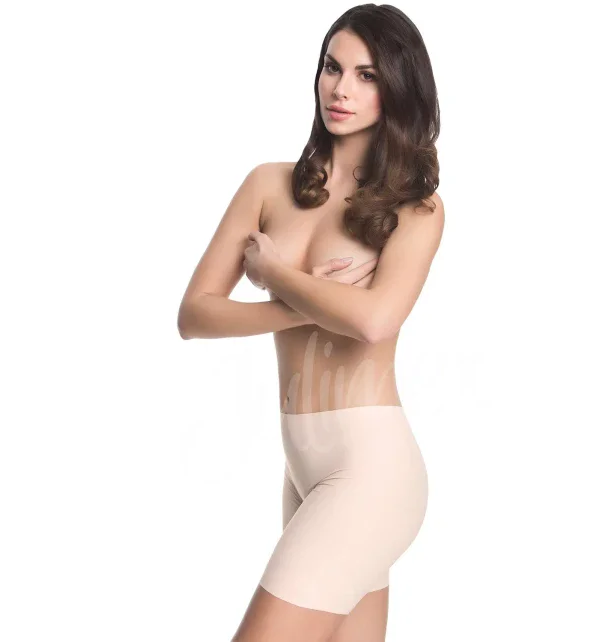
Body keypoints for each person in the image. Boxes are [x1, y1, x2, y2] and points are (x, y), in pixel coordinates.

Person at [177, 4, 444, 641]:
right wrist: (298, 307)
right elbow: (195, 313)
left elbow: (375, 321)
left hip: (371, 466)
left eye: (366, 75)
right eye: (332, 67)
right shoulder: (267, 186)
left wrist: (275, 272)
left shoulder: (416, 208)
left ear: (398, 87)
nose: (340, 89)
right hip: (301, 466)